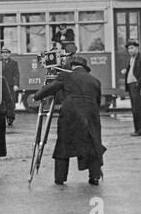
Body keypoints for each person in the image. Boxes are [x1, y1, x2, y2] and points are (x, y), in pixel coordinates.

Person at [34, 56, 106, 185]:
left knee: (63, 146)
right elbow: (98, 101)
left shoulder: (66, 76)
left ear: (72, 66)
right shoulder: (95, 81)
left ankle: (60, 178)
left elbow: (51, 88)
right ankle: (94, 176)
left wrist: (37, 96)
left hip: (70, 115)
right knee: (92, 145)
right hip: (90, 115)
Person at [122, 40, 141, 136]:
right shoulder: (131, 59)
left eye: (132, 48)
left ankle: (140, 130)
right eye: (128, 48)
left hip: (136, 86)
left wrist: (138, 83)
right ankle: (137, 129)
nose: (130, 50)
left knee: (138, 109)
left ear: (137, 48)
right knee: (134, 109)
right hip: (131, 86)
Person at [1, 47, 19, 126]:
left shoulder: (14, 63)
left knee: (10, 102)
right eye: (3, 53)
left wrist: (16, 84)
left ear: (9, 54)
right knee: (1, 103)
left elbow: (16, 74)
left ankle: (10, 118)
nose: (5, 54)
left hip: (10, 86)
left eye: (6, 53)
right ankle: (1, 118)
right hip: (0, 85)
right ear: (1, 54)